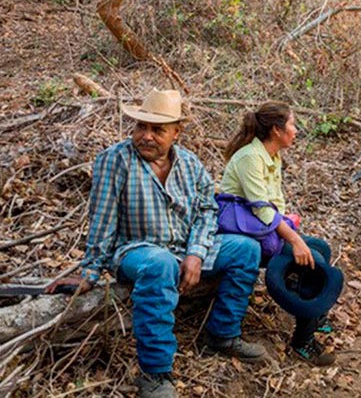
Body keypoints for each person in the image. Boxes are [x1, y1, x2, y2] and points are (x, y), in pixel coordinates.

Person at [49, 89, 265, 398]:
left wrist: (196, 253)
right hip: (136, 250)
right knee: (160, 264)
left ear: (176, 132)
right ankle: (155, 373)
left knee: (246, 250)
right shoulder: (115, 161)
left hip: (184, 247)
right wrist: (90, 273)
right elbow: (102, 219)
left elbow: (207, 211)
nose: (146, 136)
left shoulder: (190, 164)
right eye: (141, 127)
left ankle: (222, 334)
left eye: (157, 130)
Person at [220, 102, 340, 366]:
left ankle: (314, 315)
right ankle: (302, 341)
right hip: (247, 235)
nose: (296, 131)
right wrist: (294, 240)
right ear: (277, 130)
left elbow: (275, 206)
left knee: (321, 247)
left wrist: (292, 232)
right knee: (312, 261)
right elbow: (262, 210)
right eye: (292, 125)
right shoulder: (250, 157)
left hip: (264, 231)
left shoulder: (272, 156)